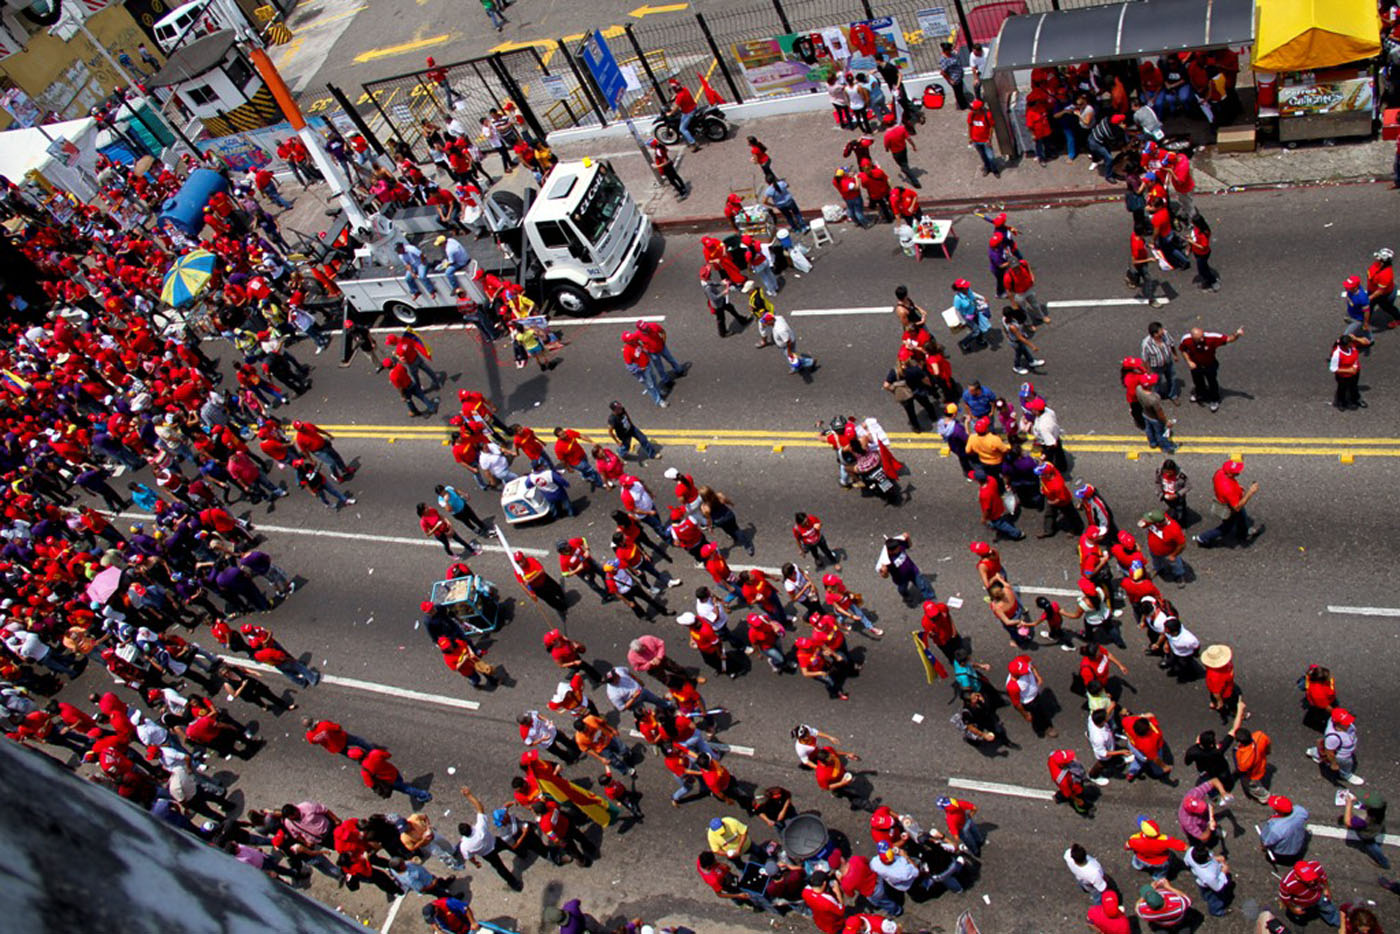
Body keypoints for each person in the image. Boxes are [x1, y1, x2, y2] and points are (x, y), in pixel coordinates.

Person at [1195, 458, 1262, 548]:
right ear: (1229, 473)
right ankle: (1203, 538)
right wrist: (1250, 492)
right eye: (1236, 472)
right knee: (1226, 528)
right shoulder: (1228, 489)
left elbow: (1216, 481)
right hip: (1229, 506)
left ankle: (1243, 533)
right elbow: (1237, 507)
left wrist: (1237, 488)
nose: (1239, 472)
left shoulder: (1220, 472)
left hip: (1227, 498)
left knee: (1242, 515)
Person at [1179, 325, 1244, 412]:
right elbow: (1183, 350)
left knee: (1212, 382)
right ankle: (1200, 394)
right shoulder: (1186, 339)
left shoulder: (1212, 338)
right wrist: (1189, 361)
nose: (1202, 340)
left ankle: (1214, 400)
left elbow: (1228, 339)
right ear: (1193, 338)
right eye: (1199, 339)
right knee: (1197, 381)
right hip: (1196, 365)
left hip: (1210, 365)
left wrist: (1237, 334)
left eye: (1202, 337)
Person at [1278, 860, 1340, 927]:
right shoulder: (1287, 884)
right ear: (1297, 877)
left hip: (1318, 895)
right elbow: (1285, 899)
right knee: (1299, 915)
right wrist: (1293, 909)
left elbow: (1323, 878)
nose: (1312, 882)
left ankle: (1337, 922)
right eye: (1308, 880)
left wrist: (1326, 889)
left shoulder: (1316, 867)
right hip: (1300, 903)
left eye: (1313, 878)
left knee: (1328, 909)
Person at [1260, 794, 1310, 865]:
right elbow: (1306, 815)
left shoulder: (1276, 828)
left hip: (1283, 852)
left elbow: (1268, 842)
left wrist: (1264, 847)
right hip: (1297, 844)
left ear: (1280, 812)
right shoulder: (1300, 810)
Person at [1330, 332, 1370, 410]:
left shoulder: (1351, 344)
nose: (1352, 345)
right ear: (1344, 346)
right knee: (1342, 389)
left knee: (1354, 387)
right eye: (1350, 344)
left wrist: (1355, 338)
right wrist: (1349, 370)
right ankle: (1341, 402)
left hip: (1355, 372)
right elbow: (1333, 368)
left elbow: (1366, 342)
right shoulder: (1337, 353)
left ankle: (1355, 399)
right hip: (1343, 376)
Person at [966, 100, 1000, 177]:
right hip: (976, 140)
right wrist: (970, 137)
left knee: (991, 157)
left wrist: (989, 139)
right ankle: (987, 168)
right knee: (983, 156)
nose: (973, 110)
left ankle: (994, 170)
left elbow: (991, 127)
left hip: (985, 140)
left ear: (979, 109)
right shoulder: (971, 115)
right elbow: (970, 126)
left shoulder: (987, 115)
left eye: (974, 109)